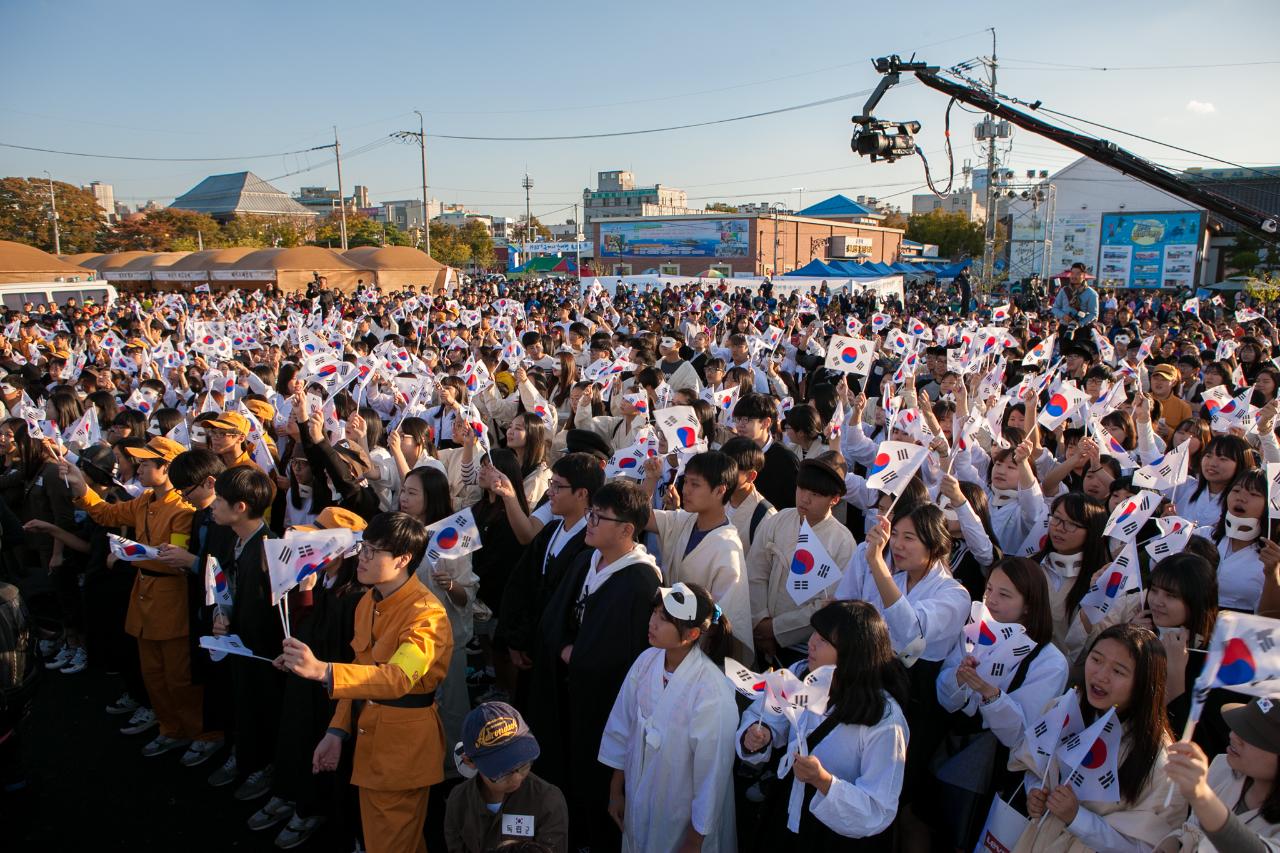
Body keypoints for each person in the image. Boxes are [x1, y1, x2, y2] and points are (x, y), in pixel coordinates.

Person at [280, 511, 454, 853]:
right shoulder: (367, 602)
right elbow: (360, 670)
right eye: (364, 547)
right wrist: (337, 731)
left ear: (403, 559)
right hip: (370, 742)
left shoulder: (427, 615)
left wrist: (324, 671)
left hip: (401, 754)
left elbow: (397, 677)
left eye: (374, 551)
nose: (362, 556)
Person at [531, 480, 661, 851]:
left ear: (626, 530)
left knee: (596, 782)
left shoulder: (641, 580)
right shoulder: (589, 558)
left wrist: (579, 655)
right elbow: (558, 612)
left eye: (599, 517)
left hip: (602, 705)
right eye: (591, 514)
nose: (589, 522)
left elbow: (628, 652)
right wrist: (563, 645)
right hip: (568, 688)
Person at [60, 435, 209, 758]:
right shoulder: (144, 501)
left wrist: (128, 555)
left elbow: (177, 561)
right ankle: (170, 728)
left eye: (145, 463)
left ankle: (198, 733)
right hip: (143, 599)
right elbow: (107, 514)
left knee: (179, 677)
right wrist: (78, 485)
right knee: (153, 673)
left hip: (170, 603)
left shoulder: (182, 510)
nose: (138, 468)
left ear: (166, 467)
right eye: (138, 462)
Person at [738, 600, 909, 848]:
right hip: (785, 808)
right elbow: (768, 716)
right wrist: (759, 734)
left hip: (833, 835)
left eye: (824, 640)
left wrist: (824, 781)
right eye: (814, 634)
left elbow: (879, 808)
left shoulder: (884, 719)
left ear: (852, 652)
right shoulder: (799, 673)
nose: (811, 643)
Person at [1017, 624, 1185, 851]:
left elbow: (1147, 847)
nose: (1101, 675)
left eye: (1118, 671)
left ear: (1144, 683)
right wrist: (1036, 792)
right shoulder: (1065, 709)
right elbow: (1034, 765)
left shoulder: (1159, 761)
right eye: (1096, 660)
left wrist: (1078, 818)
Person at [600, 582, 738, 852]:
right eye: (655, 613)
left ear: (692, 633)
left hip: (682, 810)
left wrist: (696, 839)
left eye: (664, 619)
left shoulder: (712, 691)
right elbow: (622, 727)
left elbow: (713, 772)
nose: (652, 622)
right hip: (639, 798)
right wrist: (616, 791)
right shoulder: (646, 661)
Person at [643, 451, 754, 659]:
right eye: (686, 482)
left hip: (697, 653)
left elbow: (721, 623)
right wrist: (651, 479)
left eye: (695, 485)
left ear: (720, 490)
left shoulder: (726, 549)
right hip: (669, 641)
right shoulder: (685, 520)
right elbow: (640, 516)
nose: (686, 490)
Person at [748, 457, 856, 667]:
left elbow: (828, 604)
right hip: (760, 631)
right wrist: (760, 621)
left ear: (834, 499)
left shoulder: (843, 542)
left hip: (806, 646)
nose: (804, 499)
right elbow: (756, 571)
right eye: (801, 489)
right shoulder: (778, 520)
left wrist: (775, 629)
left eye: (815, 494)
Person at [444, 702, 569, 853]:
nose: (516, 778)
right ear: (470, 762)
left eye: (524, 765)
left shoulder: (547, 800)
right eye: (503, 772)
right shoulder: (459, 801)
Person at [1161, 697, 1280, 852]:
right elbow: (1193, 828)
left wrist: (1202, 797)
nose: (1233, 736)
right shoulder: (1223, 767)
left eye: (1254, 735)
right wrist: (1174, 841)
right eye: (1241, 725)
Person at [733, 393, 799, 510]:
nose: (740, 425)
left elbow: (792, 505)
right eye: (738, 419)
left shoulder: (785, 459)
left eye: (746, 419)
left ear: (766, 422)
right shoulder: (733, 452)